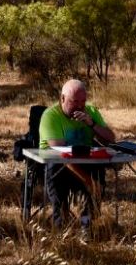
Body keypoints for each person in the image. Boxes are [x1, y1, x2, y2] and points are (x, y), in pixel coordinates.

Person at [39, 78, 115, 233]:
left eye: (83, 101)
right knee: (56, 169)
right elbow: (61, 154)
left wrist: (92, 124)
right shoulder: (51, 116)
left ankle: (87, 223)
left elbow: (110, 139)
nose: (80, 106)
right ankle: (60, 225)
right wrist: (89, 181)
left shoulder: (90, 111)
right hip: (60, 167)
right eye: (74, 102)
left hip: (86, 162)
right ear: (62, 99)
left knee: (98, 170)